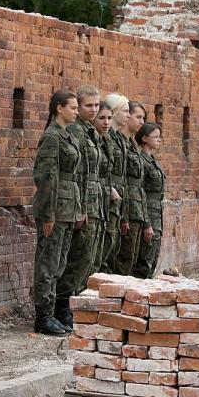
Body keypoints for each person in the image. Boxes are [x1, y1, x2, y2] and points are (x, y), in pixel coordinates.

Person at [32, 89, 81, 336]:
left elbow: (72, 179)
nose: (77, 111)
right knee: (48, 263)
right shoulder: (52, 137)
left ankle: (52, 313)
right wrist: (48, 214)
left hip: (68, 208)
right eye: (72, 107)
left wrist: (78, 209)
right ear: (59, 108)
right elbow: (46, 177)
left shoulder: (66, 135)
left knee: (59, 263)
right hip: (55, 209)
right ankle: (43, 316)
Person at [54, 86, 102, 330]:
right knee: (76, 257)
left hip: (91, 200)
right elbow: (78, 172)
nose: (93, 110)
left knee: (86, 257)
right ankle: (62, 307)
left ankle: (71, 304)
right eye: (88, 106)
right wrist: (81, 207)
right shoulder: (76, 130)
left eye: (96, 105)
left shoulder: (89, 130)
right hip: (80, 201)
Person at [114, 101, 148, 276]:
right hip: (123, 206)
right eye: (138, 116)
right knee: (122, 259)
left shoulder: (132, 144)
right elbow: (123, 180)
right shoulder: (120, 143)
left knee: (132, 259)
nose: (141, 122)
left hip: (135, 206)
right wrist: (124, 215)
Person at [101, 93, 130, 273]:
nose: (128, 115)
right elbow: (106, 168)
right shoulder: (108, 137)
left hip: (118, 195)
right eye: (125, 111)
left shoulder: (118, 137)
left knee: (113, 246)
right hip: (109, 195)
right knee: (107, 245)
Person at [133, 122, 165, 278]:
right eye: (156, 137)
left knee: (153, 257)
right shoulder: (141, 161)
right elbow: (140, 192)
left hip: (157, 213)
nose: (159, 140)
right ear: (144, 138)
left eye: (160, 137)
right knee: (144, 261)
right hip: (148, 214)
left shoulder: (152, 160)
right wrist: (147, 223)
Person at [91, 101, 114, 274]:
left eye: (109, 118)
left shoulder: (105, 140)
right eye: (102, 118)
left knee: (100, 256)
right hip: (91, 202)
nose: (106, 122)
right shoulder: (87, 138)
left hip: (103, 202)